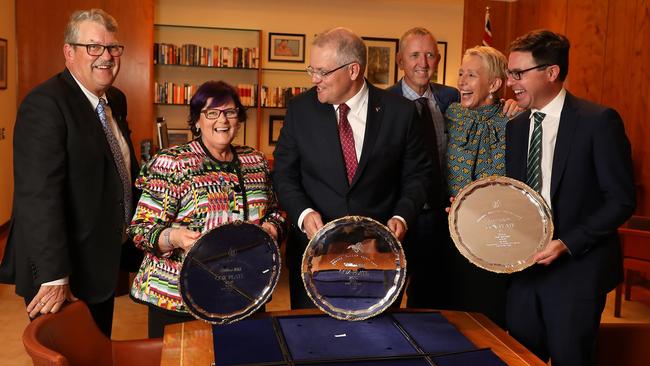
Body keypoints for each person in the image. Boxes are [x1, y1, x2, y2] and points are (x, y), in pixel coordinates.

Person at [0, 9, 138, 337]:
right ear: (69, 52)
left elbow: (118, 172)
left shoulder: (115, 100)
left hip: (100, 259)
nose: (105, 57)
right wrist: (54, 277)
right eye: (93, 47)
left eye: (112, 48)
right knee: (68, 355)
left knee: (96, 350)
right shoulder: (45, 105)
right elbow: (37, 197)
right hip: (63, 271)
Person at [273, 27, 431, 309]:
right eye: (312, 70)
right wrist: (304, 214)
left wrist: (402, 216)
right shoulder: (300, 109)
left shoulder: (401, 113)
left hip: (378, 257)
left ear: (353, 70)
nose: (314, 79)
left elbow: (417, 176)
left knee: (376, 342)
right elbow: (284, 175)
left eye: (322, 72)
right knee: (312, 343)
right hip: (315, 258)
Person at [504, 30, 635, 365]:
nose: (511, 82)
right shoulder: (515, 128)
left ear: (552, 72)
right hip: (524, 270)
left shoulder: (598, 122)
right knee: (519, 358)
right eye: (509, 73)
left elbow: (620, 200)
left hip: (577, 270)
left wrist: (567, 243)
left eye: (519, 74)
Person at [128, 80, 285, 338]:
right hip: (179, 298)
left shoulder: (254, 161)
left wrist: (271, 229)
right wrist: (175, 238)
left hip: (243, 292)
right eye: (212, 112)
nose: (222, 120)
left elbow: (275, 213)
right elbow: (141, 229)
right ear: (197, 120)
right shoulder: (173, 163)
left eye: (230, 112)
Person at [386, 28, 459, 310]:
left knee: (430, 298)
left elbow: (486, 111)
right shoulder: (383, 102)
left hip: (438, 215)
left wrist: (508, 105)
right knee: (389, 294)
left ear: (438, 59)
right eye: (415, 55)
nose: (423, 63)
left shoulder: (451, 97)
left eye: (430, 55)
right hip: (397, 214)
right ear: (400, 60)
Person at [439, 45, 510, 326]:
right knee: (447, 316)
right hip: (447, 235)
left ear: (494, 84)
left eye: (471, 75)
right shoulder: (449, 114)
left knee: (485, 317)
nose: (462, 82)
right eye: (460, 73)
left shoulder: (514, 120)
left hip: (493, 238)